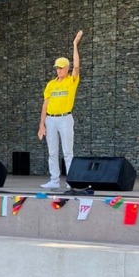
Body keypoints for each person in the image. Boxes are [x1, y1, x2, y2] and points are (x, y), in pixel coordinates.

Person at [38, 30, 83, 190]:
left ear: (67, 68)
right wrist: (41, 124)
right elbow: (45, 104)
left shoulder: (72, 80)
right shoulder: (51, 84)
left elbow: (77, 66)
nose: (59, 70)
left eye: (61, 68)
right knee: (52, 152)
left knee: (68, 152)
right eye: (57, 68)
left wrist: (74, 44)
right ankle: (54, 180)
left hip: (65, 118)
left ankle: (71, 182)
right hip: (50, 119)